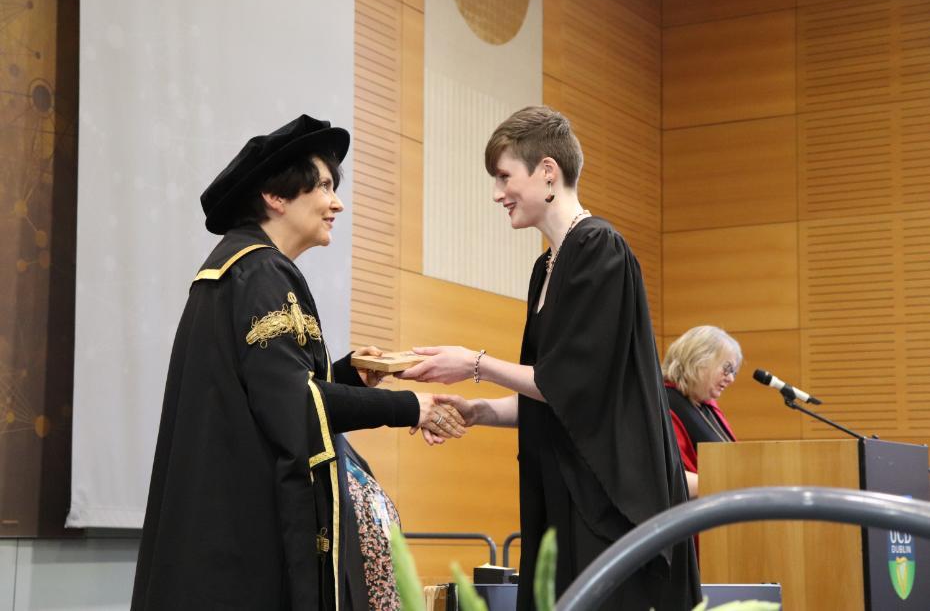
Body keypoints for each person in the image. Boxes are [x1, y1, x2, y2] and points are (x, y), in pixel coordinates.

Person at [131, 114, 465, 611]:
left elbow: (270, 389)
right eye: (324, 186)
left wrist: (350, 373)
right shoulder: (260, 271)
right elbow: (293, 402)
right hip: (243, 536)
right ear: (277, 197)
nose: (337, 202)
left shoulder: (242, 266)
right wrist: (409, 407)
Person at [399, 106, 701, 610]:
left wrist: (473, 363)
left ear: (547, 172)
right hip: (562, 498)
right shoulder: (547, 266)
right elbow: (555, 398)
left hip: (606, 505)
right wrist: (478, 412)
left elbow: (565, 383)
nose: (497, 194)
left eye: (503, 176)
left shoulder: (599, 248)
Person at [661, 326, 740, 498]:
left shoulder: (707, 406)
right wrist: (731, 484)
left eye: (733, 371)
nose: (731, 378)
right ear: (698, 360)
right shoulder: (663, 405)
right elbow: (666, 477)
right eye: (726, 369)